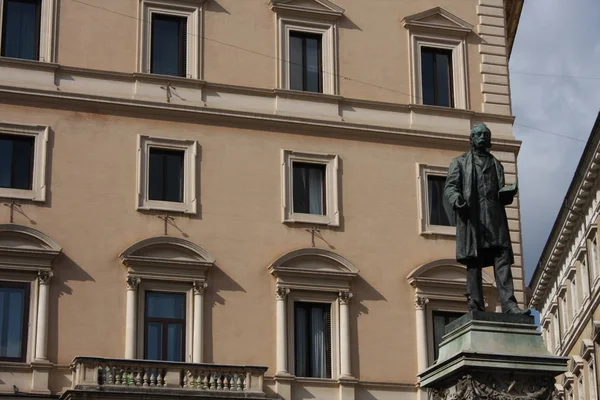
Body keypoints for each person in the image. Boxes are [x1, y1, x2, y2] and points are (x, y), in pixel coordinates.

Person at [444, 123, 530, 315]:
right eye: (478, 134)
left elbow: (499, 192)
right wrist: (457, 199)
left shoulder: (496, 164)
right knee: (474, 262)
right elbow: (450, 187)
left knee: (502, 260)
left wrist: (507, 193)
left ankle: (509, 304)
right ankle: (475, 305)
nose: (482, 137)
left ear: (489, 140)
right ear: (471, 139)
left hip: (495, 219)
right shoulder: (459, 162)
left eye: (485, 134)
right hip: (473, 219)